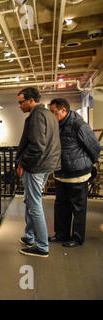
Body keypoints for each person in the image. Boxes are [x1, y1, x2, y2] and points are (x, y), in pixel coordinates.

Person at [49, 98, 101, 247]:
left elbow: (95, 147)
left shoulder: (79, 124)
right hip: (61, 174)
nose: (52, 116)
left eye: (54, 112)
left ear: (64, 109)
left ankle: (77, 238)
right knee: (61, 207)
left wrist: (88, 165)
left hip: (78, 175)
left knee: (78, 208)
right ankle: (61, 235)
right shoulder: (58, 125)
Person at [16, 87, 61, 258]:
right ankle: (30, 237)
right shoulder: (49, 114)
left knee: (34, 205)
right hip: (46, 165)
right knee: (31, 201)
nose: (19, 106)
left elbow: (36, 146)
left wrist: (23, 163)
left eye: (21, 102)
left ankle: (42, 246)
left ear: (31, 100)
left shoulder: (36, 116)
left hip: (36, 166)